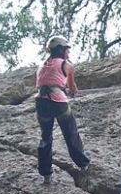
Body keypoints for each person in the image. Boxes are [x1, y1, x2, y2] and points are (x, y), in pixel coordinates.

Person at [35, 35, 91, 184]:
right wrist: (71, 91)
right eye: (67, 50)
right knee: (70, 132)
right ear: (60, 50)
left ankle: (46, 173)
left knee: (46, 138)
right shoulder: (67, 64)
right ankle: (83, 163)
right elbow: (72, 88)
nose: (69, 53)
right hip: (58, 102)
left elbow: (47, 82)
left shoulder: (42, 65)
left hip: (41, 102)